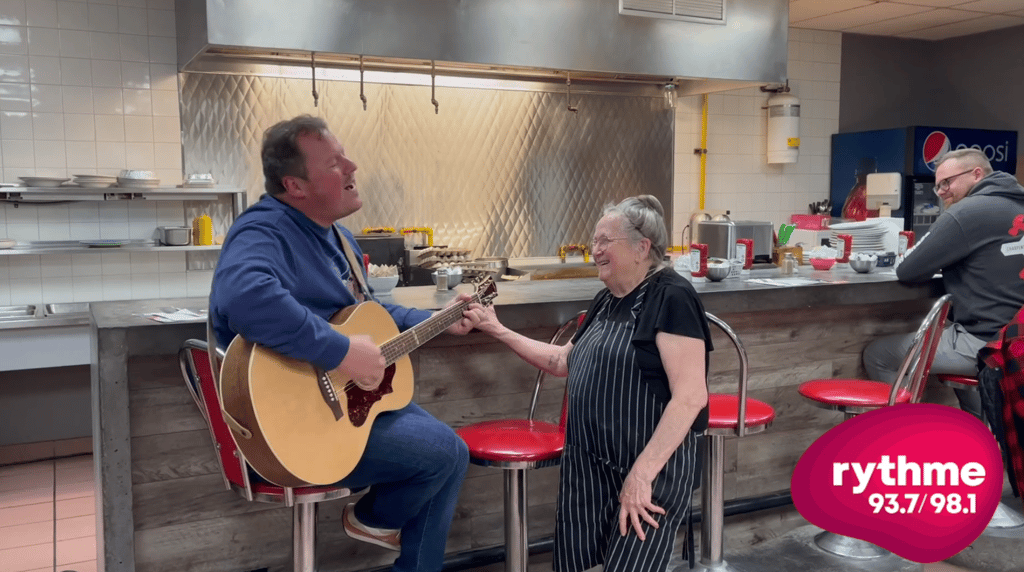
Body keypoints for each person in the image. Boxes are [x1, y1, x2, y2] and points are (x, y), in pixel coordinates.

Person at [209, 114, 484, 572]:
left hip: (341, 403)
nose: (353, 166)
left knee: (448, 454)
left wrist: (436, 320)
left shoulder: (340, 240)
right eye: (335, 163)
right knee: (444, 453)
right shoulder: (265, 229)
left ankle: (385, 531)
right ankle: (373, 518)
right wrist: (340, 351)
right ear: (295, 185)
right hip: (287, 428)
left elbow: (367, 316)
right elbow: (245, 297)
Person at [473, 195, 711, 572]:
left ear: (641, 248)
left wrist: (641, 475)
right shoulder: (607, 299)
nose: (595, 251)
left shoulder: (673, 297)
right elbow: (562, 360)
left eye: (604, 242)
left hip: (648, 471)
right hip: (588, 468)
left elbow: (690, 397)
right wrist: (498, 329)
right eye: (594, 242)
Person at [864, 148, 1024, 418]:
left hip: (987, 343)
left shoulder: (965, 212)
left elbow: (908, 270)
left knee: (878, 355)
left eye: (947, 182)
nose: (940, 192)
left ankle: (901, 438)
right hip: (1016, 343)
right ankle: (980, 436)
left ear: (976, 174)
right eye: (937, 185)